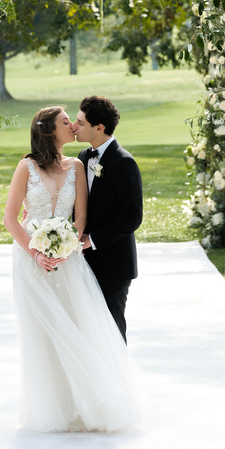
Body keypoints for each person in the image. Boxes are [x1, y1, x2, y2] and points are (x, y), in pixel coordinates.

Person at [3, 105, 140, 432]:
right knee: (41, 333)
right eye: (67, 122)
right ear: (50, 130)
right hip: (31, 262)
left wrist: (66, 246)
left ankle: (86, 403)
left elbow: (80, 218)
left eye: (76, 121)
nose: (74, 126)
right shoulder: (26, 167)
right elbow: (10, 218)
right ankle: (51, 407)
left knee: (78, 326)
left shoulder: (79, 164)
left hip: (69, 260)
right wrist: (36, 253)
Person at [73, 95, 143, 343]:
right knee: (88, 328)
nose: (74, 126)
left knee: (112, 328)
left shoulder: (124, 162)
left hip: (114, 264)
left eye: (80, 122)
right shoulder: (83, 157)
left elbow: (132, 217)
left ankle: (119, 380)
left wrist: (91, 239)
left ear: (99, 128)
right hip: (84, 261)